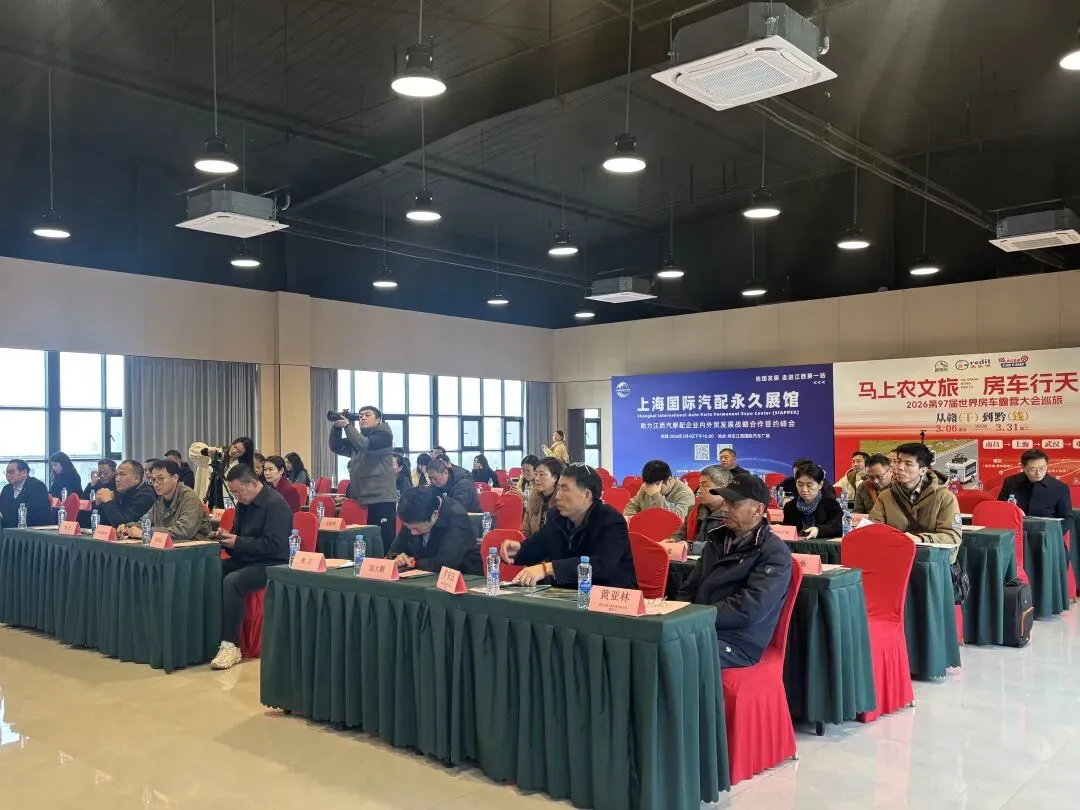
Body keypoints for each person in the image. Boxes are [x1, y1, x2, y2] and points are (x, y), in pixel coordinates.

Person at [677, 474, 793, 668]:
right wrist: (677, 617)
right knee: (652, 641)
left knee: (674, 653)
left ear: (758, 510)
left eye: (733, 504)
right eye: (725, 502)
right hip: (701, 627)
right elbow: (690, 588)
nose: (725, 509)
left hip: (739, 641)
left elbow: (750, 608)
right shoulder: (716, 541)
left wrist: (696, 618)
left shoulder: (774, 552)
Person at [499, 463, 637, 588]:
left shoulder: (611, 520)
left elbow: (600, 565)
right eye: (558, 488)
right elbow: (537, 545)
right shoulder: (556, 517)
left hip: (609, 599)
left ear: (587, 495)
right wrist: (516, 551)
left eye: (564, 489)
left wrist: (548, 568)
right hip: (567, 598)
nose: (557, 496)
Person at [209, 464, 292, 670]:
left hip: (272, 562)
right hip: (247, 558)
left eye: (239, 492)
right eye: (234, 493)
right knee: (209, 570)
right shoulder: (244, 503)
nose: (237, 497)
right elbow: (239, 535)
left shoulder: (276, 505)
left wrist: (238, 542)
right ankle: (210, 635)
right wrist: (226, 538)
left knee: (233, 581)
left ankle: (231, 645)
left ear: (253, 484)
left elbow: (275, 546)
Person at [869, 442, 961, 561]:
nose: (899, 467)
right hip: (896, 560)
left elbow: (953, 537)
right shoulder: (886, 496)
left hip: (930, 563)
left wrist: (921, 539)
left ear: (923, 470)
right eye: (898, 461)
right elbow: (873, 531)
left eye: (908, 463)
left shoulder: (944, 497)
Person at [329, 405, 397, 550]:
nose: (363, 418)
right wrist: (336, 427)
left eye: (367, 415)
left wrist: (347, 426)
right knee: (365, 543)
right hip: (362, 500)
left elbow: (364, 445)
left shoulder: (384, 435)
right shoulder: (357, 438)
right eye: (360, 416)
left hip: (381, 499)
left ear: (378, 419)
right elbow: (336, 447)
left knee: (383, 544)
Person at [388, 487, 482, 575]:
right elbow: (393, 551)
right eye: (408, 528)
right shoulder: (412, 515)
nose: (412, 532)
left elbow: (445, 563)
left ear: (434, 515)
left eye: (416, 529)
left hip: (463, 575)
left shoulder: (457, 517)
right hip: (423, 575)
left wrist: (413, 562)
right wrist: (397, 558)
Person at [117, 459, 212, 542]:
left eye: (160, 479)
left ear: (175, 478)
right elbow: (146, 521)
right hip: (170, 546)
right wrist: (127, 527)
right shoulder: (161, 499)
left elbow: (184, 531)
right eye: (153, 480)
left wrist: (146, 532)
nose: (156, 484)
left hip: (197, 547)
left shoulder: (189, 497)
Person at [998, 449, 1073, 538]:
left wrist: (1052, 537)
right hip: (1014, 533)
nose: (1038, 473)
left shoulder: (1059, 488)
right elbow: (1000, 508)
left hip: (1045, 535)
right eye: (1033, 469)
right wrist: (1013, 511)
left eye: (1042, 468)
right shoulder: (1011, 482)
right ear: (1023, 467)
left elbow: (1067, 519)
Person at [669, 465, 731, 550]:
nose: (698, 491)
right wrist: (673, 541)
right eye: (699, 485)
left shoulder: (733, 515)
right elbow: (680, 535)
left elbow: (722, 547)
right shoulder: (693, 511)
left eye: (705, 486)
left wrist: (690, 546)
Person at [782, 463, 844, 539]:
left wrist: (818, 530)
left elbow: (838, 527)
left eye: (809, 485)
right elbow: (787, 531)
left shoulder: (831, 504)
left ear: (820, 485)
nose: (804, 490)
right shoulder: (789, 507)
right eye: (800, 485)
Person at [623, 459, 696, 519]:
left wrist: (656, 495)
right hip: (647, 528)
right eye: (648, 485)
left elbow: (678, 518)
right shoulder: (646, 487)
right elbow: (633, 506)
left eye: (657, 485)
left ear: (669, 480)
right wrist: (631, 519)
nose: (652, 489)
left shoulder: (686, 493)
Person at [94, 460, 156, 527]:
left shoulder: (146, 495)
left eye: (122, 474)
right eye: (116, 475)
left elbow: (124, 525)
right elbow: (105, 523)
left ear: (136, 478)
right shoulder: (121, 491)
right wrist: (99, 504)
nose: (117, 479)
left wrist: (108, 502)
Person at [521, 457, 566, 537]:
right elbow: (525, 532)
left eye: (541, 474)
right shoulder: (533, 498)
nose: (537, 478)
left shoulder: (564, 501)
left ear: (555, 477)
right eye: (535, 474)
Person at [0, 459, 52, 528]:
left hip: (31, 528)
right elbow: (2, 508)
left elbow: (34, 512)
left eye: (11, 472)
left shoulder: (37, 486)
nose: (8, 475)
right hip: (8, 526)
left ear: (24, 472)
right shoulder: (7, 488)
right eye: (6, 472)